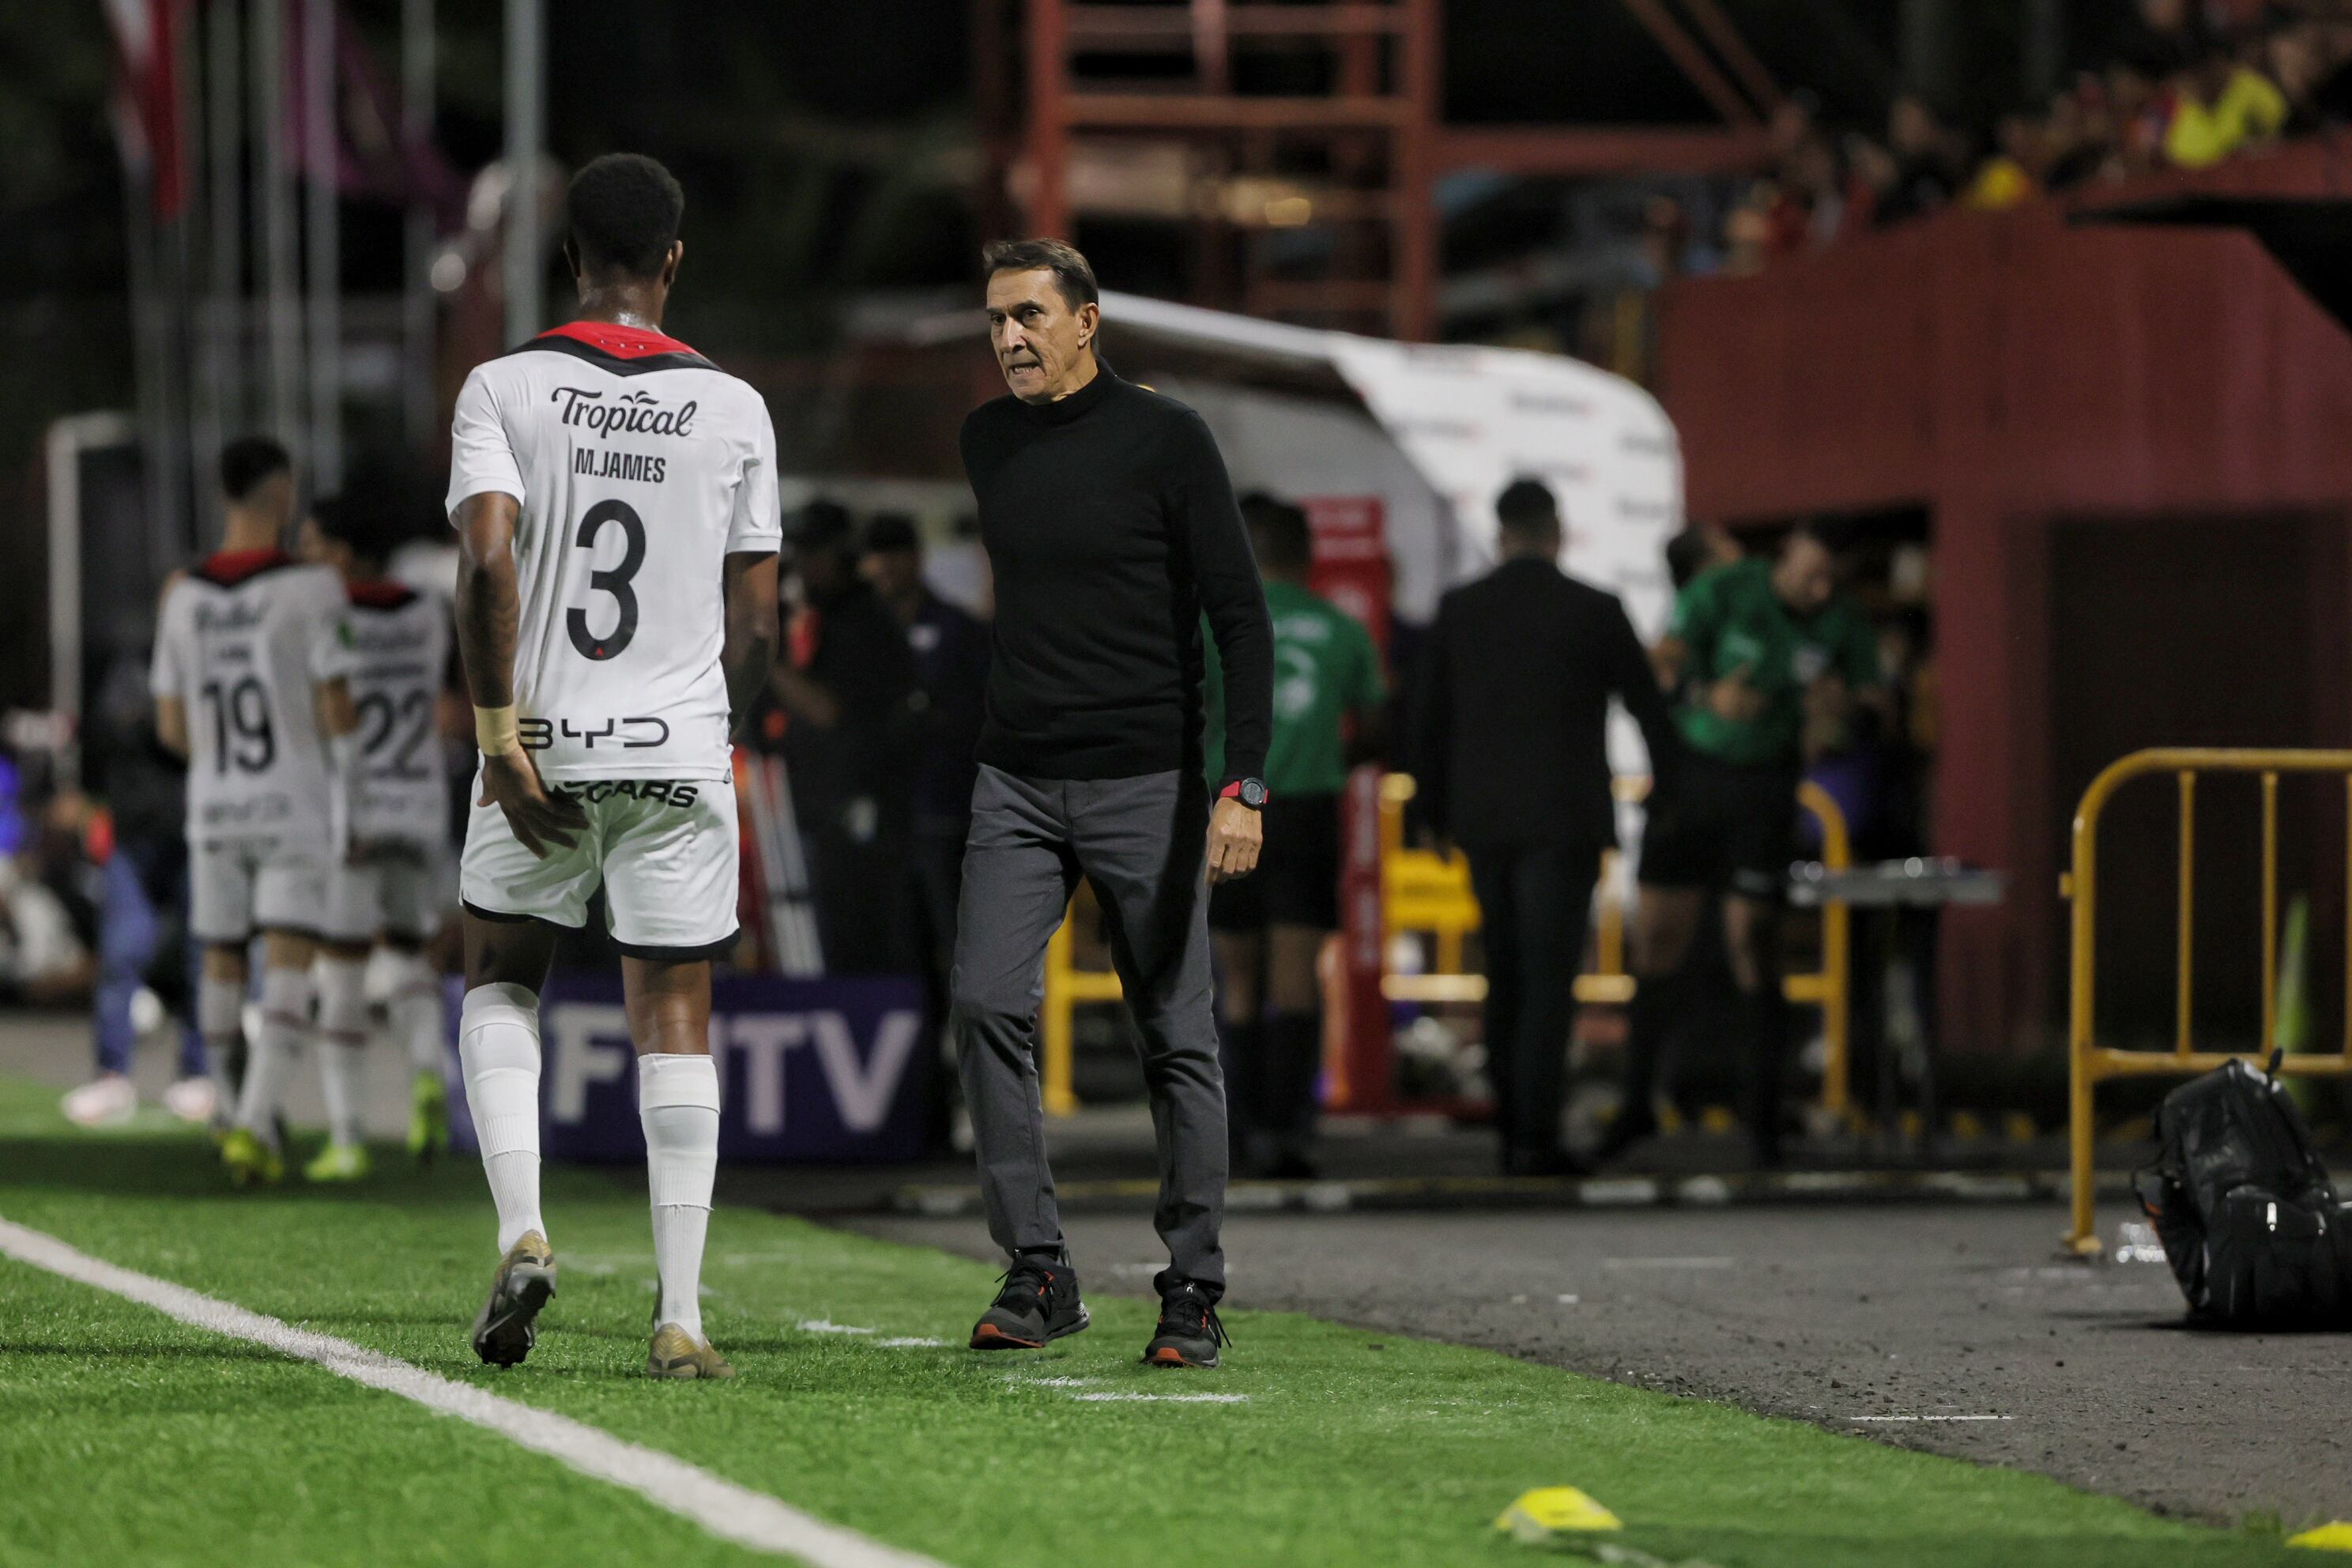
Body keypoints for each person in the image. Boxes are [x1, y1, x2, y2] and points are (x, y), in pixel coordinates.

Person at [445, 153, 779, 1379]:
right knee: (675, 1020)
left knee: (501, 979)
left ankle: (523, 1228)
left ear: (564, 255)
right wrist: (704, 733)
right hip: (679, 749)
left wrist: (496, 737)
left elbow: (487, 564)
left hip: (540, 742)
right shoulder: (736, 406)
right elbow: (756, 627)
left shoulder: (505, 386)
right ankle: (681, 1314)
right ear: (675, 260)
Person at [955, 237, 1272, 1369]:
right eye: (996, 320)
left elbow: (1241, 618)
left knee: (1174, 1037)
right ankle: (1039, 1268)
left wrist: (1244, 783)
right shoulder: (985, 440)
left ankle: (1193, 1285)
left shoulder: (1168, 438)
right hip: (1017, 780)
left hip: (1148, 779)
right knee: (985, 1003)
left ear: (1087, 321)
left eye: (1030, 316)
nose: (1008, 339)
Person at [1410, 480, 1681, 1177]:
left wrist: (1432, 814)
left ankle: (1509, 1131)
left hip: (1483, 821)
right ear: (1555, 532)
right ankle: (1536, 1136)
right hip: (1564, 821)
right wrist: (1671, 793)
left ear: (1501, 535)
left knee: (1503, 972)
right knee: (1548, 978)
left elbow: (1427, 721)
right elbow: (1651, 712)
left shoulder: (1460, 610)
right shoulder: (1593, 610)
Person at [1601, 525, 1881, 1169]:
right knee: (1658, 940)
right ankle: (1637, 1104)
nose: (1818, 588)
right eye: (1810, 572)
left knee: (1752, 940)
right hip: (1690, 778)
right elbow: (1660, 667)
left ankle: (1762, 1122)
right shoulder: (1724, 591)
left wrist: (1841, 715)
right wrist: (1709, 694)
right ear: (1785, 553)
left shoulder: (1841, 623)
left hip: (1767, 787)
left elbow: (1869, 705)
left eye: (1828, 580)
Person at [149, 435, 361, 1185]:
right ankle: (252, 1125)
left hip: (214, 805)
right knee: (288, 963)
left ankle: (233, 1111)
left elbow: (171, 728)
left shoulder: (183, 594)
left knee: (221, 958)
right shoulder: (312, 589)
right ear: (282, 493)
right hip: (291, 803)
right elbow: (338, 711)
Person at [1203, 493, 1384, 1180]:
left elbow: (1188, 715)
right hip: (1307, 811)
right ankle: (1292, 1134)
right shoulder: (1339, 628)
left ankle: (1237, 1136)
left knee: (1238, 982)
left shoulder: (1212, 625)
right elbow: (1373, 722)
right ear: (1306, 555)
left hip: (1228, 808)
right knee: (1296, 979)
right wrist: (1326, 758)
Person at [296, 490, 458, 1180]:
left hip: (354, 812)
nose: (304, 558)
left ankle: (348, 1136)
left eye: (311, 545)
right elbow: (449, 702)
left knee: (342, 971)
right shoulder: (429, 612)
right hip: (419, 803)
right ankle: (428, 1074)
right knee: (410, 949)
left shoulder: (326, 618)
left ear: (342, 552)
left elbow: (329, 716)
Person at [861, 510, 989, 1148]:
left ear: (915, 558)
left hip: (946, 821)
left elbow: (972, 723)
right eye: (873, 557)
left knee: (959, 969)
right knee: (899, 967)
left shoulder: (960, 631)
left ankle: (975, 1111)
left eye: (893, 553)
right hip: (884, 828)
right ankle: (915, 1115)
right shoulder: (861, 631)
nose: (882, 569)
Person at [62, 653, 216, 1128]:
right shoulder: (130, 668)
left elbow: (192, 738)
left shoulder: (208, 668)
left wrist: (164, 721)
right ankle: (112, 1076)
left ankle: (200, 1073)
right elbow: (125, 730)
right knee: (122, 952)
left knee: (203, 958)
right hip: (133, 840)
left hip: (195, 837)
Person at [771, 500, 917, 974]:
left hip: (858, 808)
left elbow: (829, 710)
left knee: (856, 938)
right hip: (810, 801)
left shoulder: (864, 620)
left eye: (813, 552)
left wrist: (763, 654)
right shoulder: (816, 615)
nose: (803, 565)